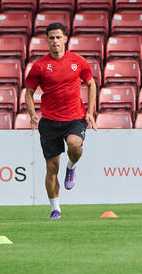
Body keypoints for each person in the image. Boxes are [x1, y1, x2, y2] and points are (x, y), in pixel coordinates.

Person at [24, 22, 97, 219]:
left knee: (74, 144)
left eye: (58, 37)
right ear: (47, 40)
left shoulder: (79, 62)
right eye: (51, 38)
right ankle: (55, 208)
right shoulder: (39, 66)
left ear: (65, 38)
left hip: (75, 117)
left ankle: (71, 167)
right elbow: (28, 92)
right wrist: (32, 114)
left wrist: (90, 111)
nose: (55, 41)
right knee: (51, 167)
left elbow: (91, 83)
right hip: (49, 121)